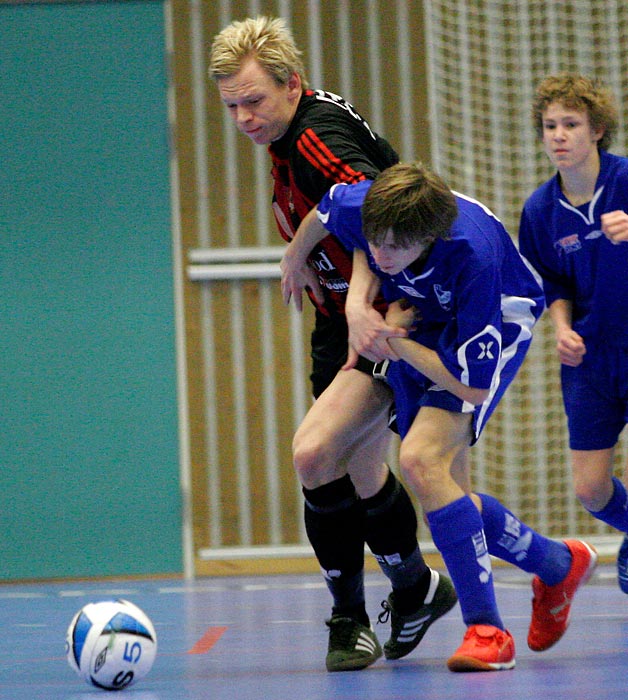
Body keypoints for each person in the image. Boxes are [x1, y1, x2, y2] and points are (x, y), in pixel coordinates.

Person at [208, 16, 457, 672]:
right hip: (338, 319)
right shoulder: (288, 132)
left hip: (384, 316)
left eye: (254, 101)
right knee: (361, 468)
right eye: (231, 106)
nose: (243, 117)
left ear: (293, 86)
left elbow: (381, 208)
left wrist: (312, 261)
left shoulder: (317, 132)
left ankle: (348, 617)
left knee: (315, 453)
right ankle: (415, 589)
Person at [298, 160, 598, 671]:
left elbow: (472, 387)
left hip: (490, 326)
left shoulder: (473, 260)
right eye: (375, 241)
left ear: (429, 238)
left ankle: (488, 631)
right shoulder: (370, 207)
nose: (379, 254)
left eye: (394, 247)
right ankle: (557, 563)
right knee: (446, 490)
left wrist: (392, 339)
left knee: (420, 460)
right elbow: (326, 213)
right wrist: (293, 260)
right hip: (424, 324)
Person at [519, 73, 628, 593]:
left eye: (570, 124)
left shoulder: (626, 180)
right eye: (549, 126)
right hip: (590, 358)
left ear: (597, 129)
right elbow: (552, 283)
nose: (558, 135)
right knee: (590, 489)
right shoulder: (540, 211)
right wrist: (560, 329)